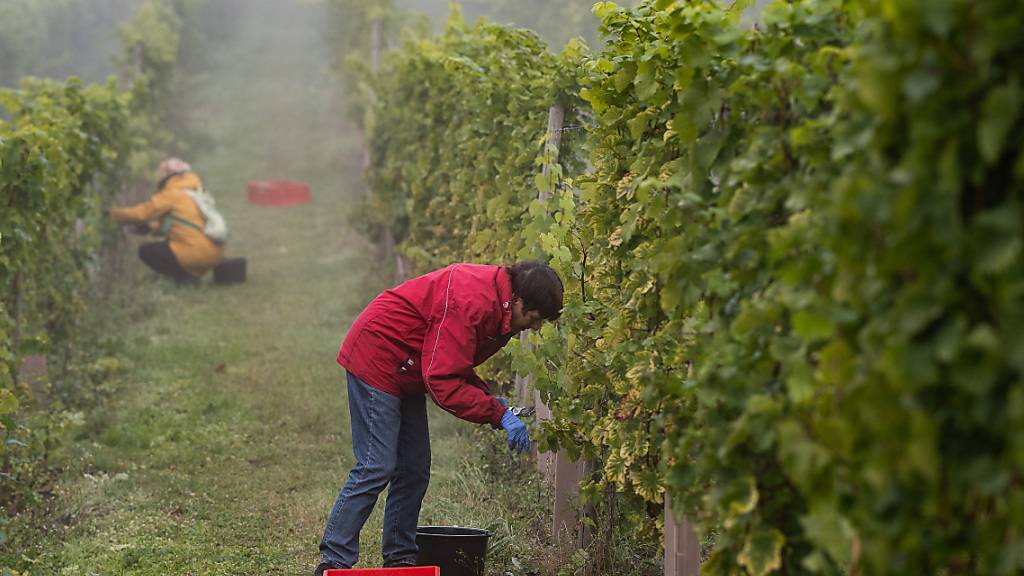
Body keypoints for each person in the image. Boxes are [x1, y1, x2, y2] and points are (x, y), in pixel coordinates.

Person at [315, 261, 563, 574]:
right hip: (378, 354)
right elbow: (442, 380)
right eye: (534, 318)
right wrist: (496, 412)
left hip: (409, 366)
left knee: (414, 468)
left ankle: (400, 559)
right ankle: (334, 559)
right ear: (519, 300)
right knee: (376, 464)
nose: (535, 327)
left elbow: (451, 361)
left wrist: (487, 399)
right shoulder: (472, 301)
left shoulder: (497, 305)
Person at [110, 158, 225, 285]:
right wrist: (151, 228)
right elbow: (179, 222)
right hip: (215, 251)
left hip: (197, 253)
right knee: (170, 244)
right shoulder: (195, 190)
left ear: (167, 175)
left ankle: (185, 279)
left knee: (146, 251)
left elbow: (143, 213)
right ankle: (190, 276)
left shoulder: (171, 194)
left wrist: (112, 214)